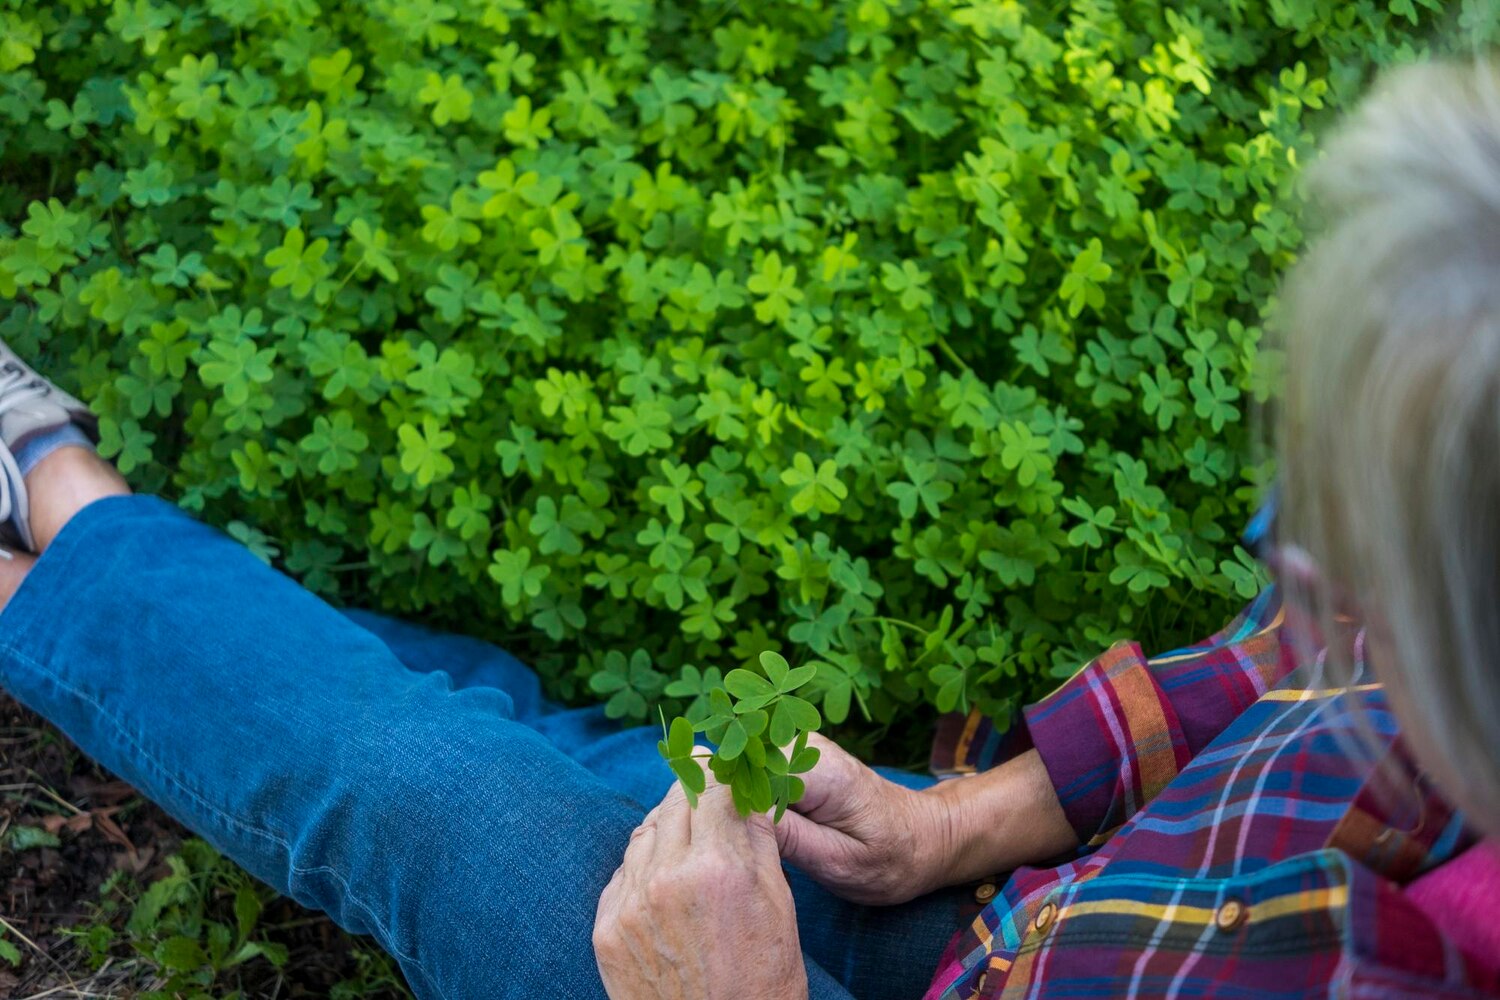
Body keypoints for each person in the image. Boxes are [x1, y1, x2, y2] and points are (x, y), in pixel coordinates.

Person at [5, 56, 1500, 1000]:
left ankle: (55, 506)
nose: (1287, 576)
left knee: (438, 796)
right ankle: (57, 536)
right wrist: (963, 822)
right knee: (526, 747)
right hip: (1044, 920)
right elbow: (1300, 672)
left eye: (1348, 542)